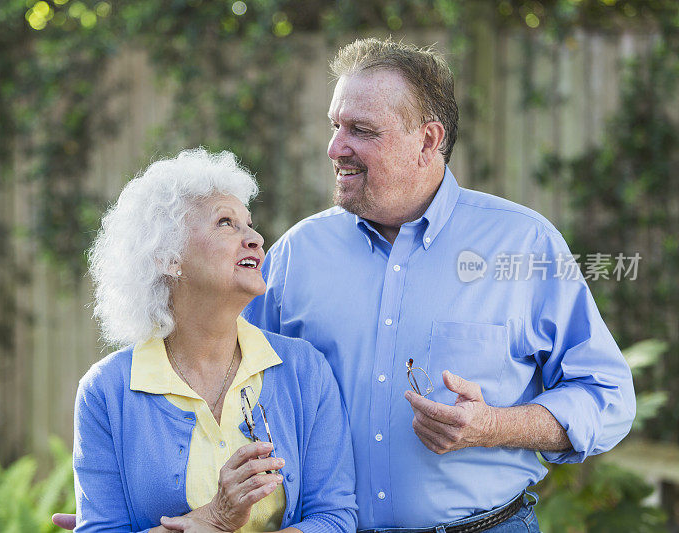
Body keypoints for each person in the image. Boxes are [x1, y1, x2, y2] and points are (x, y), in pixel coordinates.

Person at [243, 38, 636, 532]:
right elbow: (235, 383)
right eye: (335, 126)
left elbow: (607, 396)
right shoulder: (297, 253)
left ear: (429, 140)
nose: (334, 148)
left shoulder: (525, 243)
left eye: (361, 130)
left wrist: (493, 426)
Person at [71, 148, 356, 532]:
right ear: (168, 257)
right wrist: (213, 519)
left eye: (250, 224)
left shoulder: (305, 370)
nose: (254, 238)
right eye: (226, 223)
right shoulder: (106, 391)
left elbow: (335, 517)